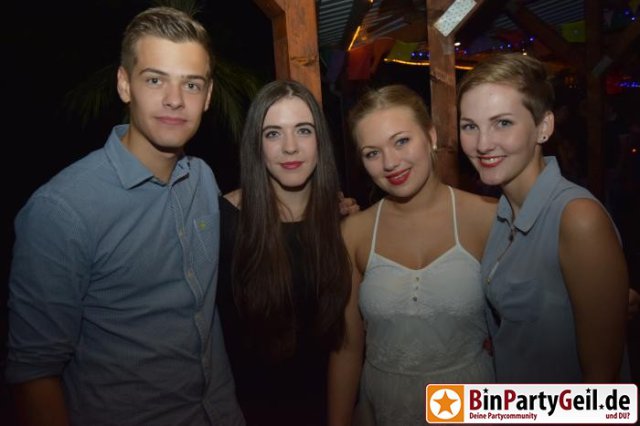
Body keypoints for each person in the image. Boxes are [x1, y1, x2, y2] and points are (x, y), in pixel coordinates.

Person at [5, 7, 244, 426]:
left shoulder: (202, 180)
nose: (175, 99)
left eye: (191, 84)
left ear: (207, 97)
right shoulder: (62, 210)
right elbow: (34, 375)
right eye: (155, 80)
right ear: (124, 84)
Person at [328, 85, 496, 426]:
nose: (390, 163)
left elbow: (527, 325)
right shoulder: (354, 232)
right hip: (382, 408)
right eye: (372, 153)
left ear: (431, 136)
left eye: (402, 141)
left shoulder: (487, 217)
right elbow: (347, 348)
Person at [457, 53, 630, 383]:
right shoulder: (502, 214)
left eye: (503, 123)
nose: (482, 143)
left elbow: (601, 389)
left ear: (543, 127)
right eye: (470, 126)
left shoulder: (578, 218)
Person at [216, 80, 352, 425]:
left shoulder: (345, 224)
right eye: (273, 134)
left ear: (320, 140)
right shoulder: (223, 223)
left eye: (303, 130)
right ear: (256, 145)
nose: (290, 147)